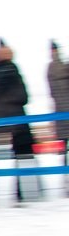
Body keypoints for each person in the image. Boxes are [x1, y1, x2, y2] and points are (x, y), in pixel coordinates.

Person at [0, 40, 39, 202]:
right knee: (0, 154)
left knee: (24, 152)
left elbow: (24, 96)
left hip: (18, 116)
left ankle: (25, 190)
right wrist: (4, 82)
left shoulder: (14, 68)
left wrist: (11, 95)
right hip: (2, 118)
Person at [50, 41, 69, 171]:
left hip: (60, 111)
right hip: (65, 109)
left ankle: (65, 171)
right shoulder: (64, 67)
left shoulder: (51, 68)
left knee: (65, 145)